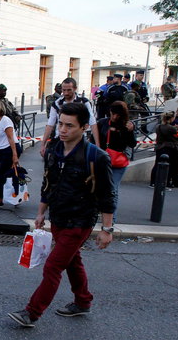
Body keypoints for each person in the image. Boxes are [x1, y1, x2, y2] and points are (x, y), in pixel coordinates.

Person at [8, 102, 115, 328]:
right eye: (60, 124)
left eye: (69, 126)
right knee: (72, 261)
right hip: (58, 216)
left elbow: (107, 195)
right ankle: (83, 301)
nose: (62, 130)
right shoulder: (54, 149)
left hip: (80, 220)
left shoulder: (97, 157)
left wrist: (107, 230)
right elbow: (49, 184)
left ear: (84, 127)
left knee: (53, 266)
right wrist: (40, 212)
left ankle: (32, 312)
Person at [97, 101, 137, 222]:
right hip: (102, 160)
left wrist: (129, 131)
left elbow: (132, 143)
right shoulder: (103, 123)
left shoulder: (126, 125)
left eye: (117, 115)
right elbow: (94, 139)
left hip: (118, 162)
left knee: (112, 188)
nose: (114, 117)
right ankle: (101, 211)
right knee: (100, 187)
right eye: (113, 113)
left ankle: (111, 218)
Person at [41, 77, 100, 156]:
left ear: (75, 89)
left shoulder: (84, 102)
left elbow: (92, 122)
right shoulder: (57, 104)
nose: (66, 93)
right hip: (60, 140)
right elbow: (50, 124)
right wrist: (43, 144)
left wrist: (97, 144)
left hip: (78, 140)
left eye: (69, 90)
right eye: (64, 90)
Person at [0, 98, 22, 208]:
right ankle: (15, 196)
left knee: (1, 174)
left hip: (10, 150)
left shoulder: (5, 120)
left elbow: (11, 138)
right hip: (3, 151)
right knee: (8, 174)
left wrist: (15, 155)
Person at [149, 111, 178, 189]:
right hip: (169, 148)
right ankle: (164, 182)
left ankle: (153, 182)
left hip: (159, 147)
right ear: (172, 118)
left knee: (157, 165)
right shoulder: (171, 128)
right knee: (167, 166)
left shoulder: (159, 126)